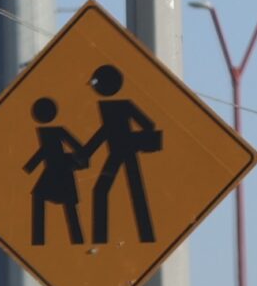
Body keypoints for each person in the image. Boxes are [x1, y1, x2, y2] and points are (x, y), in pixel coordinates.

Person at [87, 63, 161, 244]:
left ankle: (103, 238)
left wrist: (87, 151)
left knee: (107, 191)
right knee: (129, 192)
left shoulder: (122, 105)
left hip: (124, 150)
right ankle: (142, 235)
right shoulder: (109, 106)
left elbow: (147, 124)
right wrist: (87, 151)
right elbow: (105, 131)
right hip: (119, 151)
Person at [22, 95, 93, 246]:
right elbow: (44, 150)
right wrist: (28, 167)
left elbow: (76, 146)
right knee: (48, 200)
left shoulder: (56, 130)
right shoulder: (45, 131)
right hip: (54, 170)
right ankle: (39, 240)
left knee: (67, 207)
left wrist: (79, 160)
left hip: (60, 170)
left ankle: (73, 240)